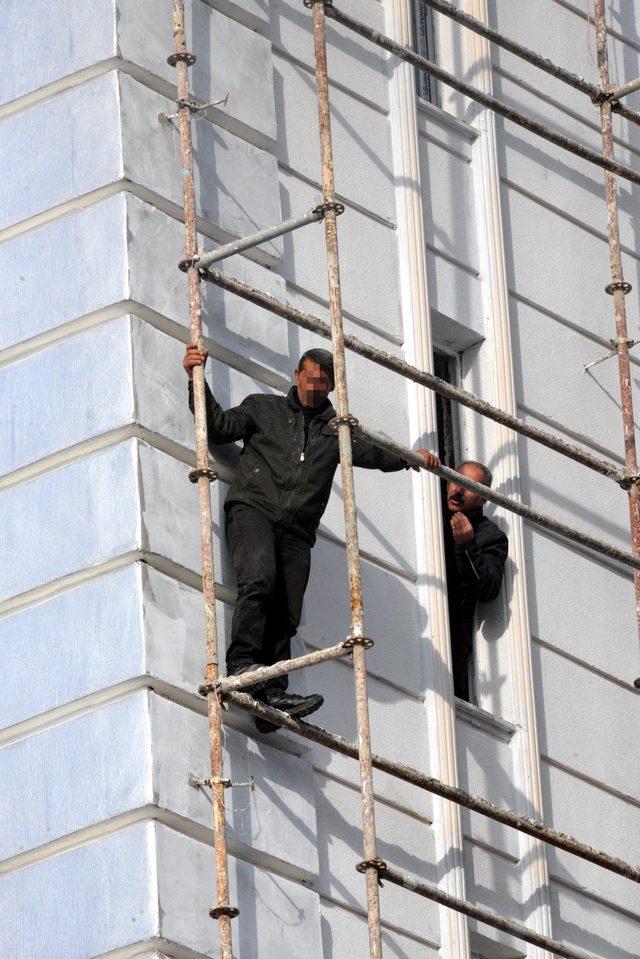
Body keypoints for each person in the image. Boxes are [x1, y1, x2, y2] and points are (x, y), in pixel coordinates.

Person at [184, 343, 440, 732]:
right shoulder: (263, 408)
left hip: (297, 529)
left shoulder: (336, 431)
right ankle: (243, 667)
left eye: (323, 384)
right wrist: (196, 379)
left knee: (288, 609)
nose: (314, 388)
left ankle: (272, 692)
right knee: (259, 579)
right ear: (297, 375)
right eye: (309, 380)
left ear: (332, 387)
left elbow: (375, 452)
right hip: (254, 508)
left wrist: (412, 456)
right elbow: (219, 427)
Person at [444, 461, 509, 701]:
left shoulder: (489, 535)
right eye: (455, 480)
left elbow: (488, 588)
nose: (458, 491)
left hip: (450, 635)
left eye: (468, 486)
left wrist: (467, 545)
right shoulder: (428, 507)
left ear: (483, 500)